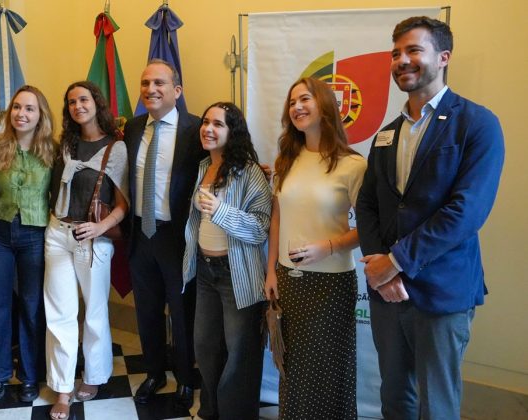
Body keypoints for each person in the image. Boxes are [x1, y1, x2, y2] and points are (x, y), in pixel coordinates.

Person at [356, 16, 505, 420]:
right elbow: (367, 204)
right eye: (395, 54)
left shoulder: (476, 123)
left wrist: (396, 262)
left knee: (437, 405)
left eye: (413, 50)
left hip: (442, 291)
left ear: (443, 57)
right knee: (394, 397)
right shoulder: (386, 134)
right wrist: (380, 268)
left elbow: (467, 211)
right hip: (387, 292)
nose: (401, 61)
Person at [264, 77, 367, 419]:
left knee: (329, 369)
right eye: (292, 102)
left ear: (324, 105)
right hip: (289, 280)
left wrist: (329, 246)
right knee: (292, 369)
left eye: (304, 99)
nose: (297, 107)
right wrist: (271, 270)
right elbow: (277, 218)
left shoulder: (353, 165)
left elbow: (370, 229)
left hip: (331, 285)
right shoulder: (287, 159)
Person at [123, 59, 205, 408]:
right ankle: (155, 372)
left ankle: (185, 378)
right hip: (141, 234)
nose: (151, 89)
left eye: (159, 83)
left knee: (182, 311)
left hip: (177, 236)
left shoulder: (196, 129)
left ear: (177, 90)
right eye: (145, 83)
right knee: (147, 310)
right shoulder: (132, 128)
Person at [45, 81, 128, 420]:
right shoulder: (65, 144)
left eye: (83, 99)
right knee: (60, 315)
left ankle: (93, 376)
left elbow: (122, 205)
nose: (77, 106)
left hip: (92, 237)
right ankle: (63, 388)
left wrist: (99, 227)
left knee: (93, 313)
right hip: (57, 234)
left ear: (96, 103)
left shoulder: (116, 148)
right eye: (71, 102)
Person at [183, 102, 271, 419]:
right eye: (206, 122)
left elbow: (261, 228)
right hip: (205, 272)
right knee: (205, 346)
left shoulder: (249, 172)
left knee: (240, 353)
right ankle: (212, 409)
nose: (208, 128)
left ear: (233, 132)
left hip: (237, 275)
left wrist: (221, 211)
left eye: (218, 124)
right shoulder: (203, 166)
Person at [0, 85, 55, 403]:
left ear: (40, 114)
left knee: (32, 307)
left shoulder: (53, 150)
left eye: (29, 108)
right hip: (0, 234)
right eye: (17, 107)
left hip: (36, 235)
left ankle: (31, 375)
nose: (21, 113)